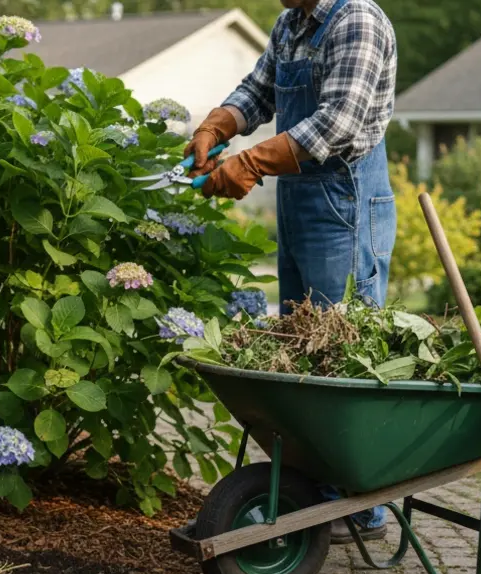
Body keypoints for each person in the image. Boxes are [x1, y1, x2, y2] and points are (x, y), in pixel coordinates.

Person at [186, 0, 398, 542]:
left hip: (344, 203)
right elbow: (259, 92)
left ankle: (359, 506)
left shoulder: (358, 20)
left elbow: (339, 124)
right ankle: (314, 493)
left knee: (343, 351)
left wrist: (251, 162)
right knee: (301, 345)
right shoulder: (290, 23)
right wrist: (217, 126)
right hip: (302, 200)